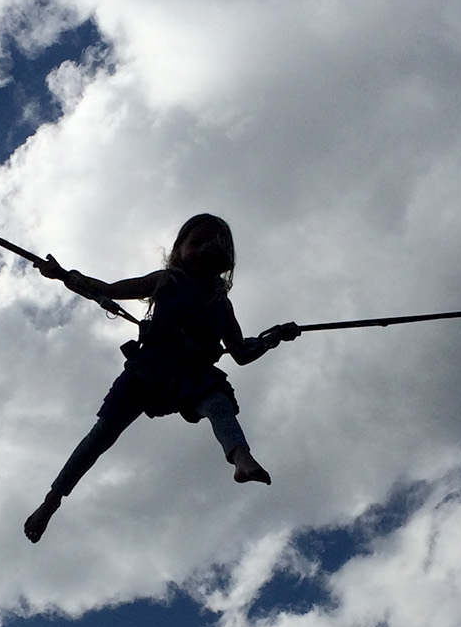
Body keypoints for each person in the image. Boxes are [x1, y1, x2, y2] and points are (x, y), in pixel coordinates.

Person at [24, 214, 300, 542]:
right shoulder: (168, 280)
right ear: (179, 249)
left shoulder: (221, 305)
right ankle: (52, 500)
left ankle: (241, 458)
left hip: (190, 374)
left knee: (218, 402)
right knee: (102, 435)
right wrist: (62, 275)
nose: (204, 250)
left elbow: (240, 351)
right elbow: (107, 290)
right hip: (149, 368)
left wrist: (272, 338)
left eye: (213, 245)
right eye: (196, 242)